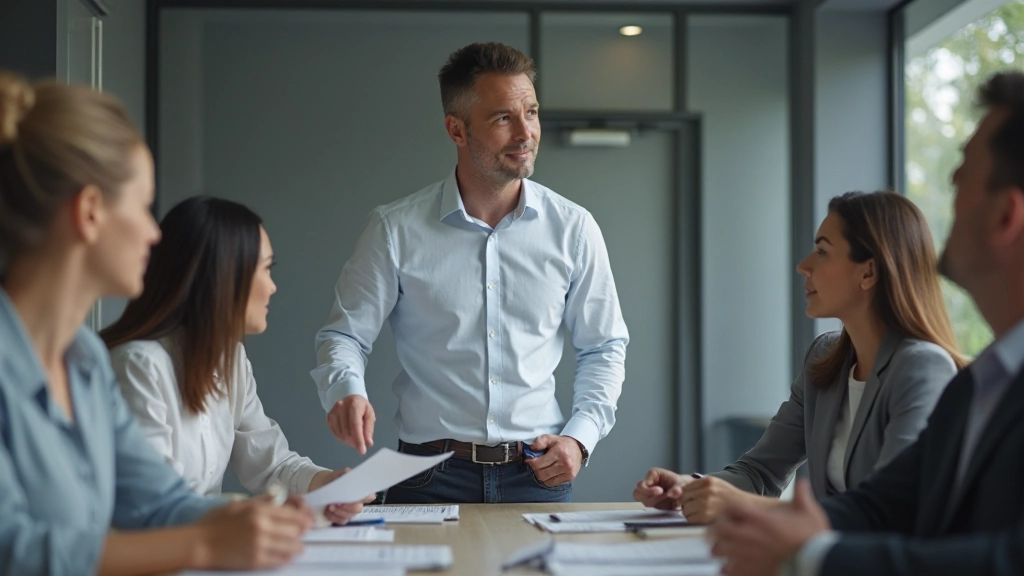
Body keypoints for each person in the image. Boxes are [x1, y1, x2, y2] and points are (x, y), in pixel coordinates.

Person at [708, 71, 1024, 576]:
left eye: (962, 177)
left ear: (1006, 216)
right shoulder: (980, 385)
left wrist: (810, 552)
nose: (948, 187)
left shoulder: (939, 371)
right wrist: (746, 512)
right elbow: (885, 503)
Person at [0, 72, 311, 574]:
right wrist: (206, 545)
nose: (154, 233)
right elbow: (14, 551)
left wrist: (250, 519)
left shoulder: (85, 360)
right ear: (90, 212)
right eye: (144, 207)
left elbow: (157, 502)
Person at [311, 42, 629, 504]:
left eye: (531, 112)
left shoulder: (574, 229)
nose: (525, 133)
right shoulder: (394, 229)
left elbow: (603, 346)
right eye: (503, 118)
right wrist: (346, 390)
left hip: (537, 474)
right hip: (426, 477)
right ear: (456, 129)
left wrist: (580, 439)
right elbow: (344, 336)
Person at [634, 191, 965, 524]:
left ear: (868, 272)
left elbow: (890, 508)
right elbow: (760, 472)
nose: (803, 266)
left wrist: (747, 506)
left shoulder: (922, 367)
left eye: (822, 252)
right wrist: (691, 489)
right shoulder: (825, 358)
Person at [102, 196, 371, 524]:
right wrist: (253, 513)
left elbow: (270, 464)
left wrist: (326, 484)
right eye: (267, 269)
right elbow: (154, 502)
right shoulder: (138, 366)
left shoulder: (230, 360)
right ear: (224, 276)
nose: (273, 287)